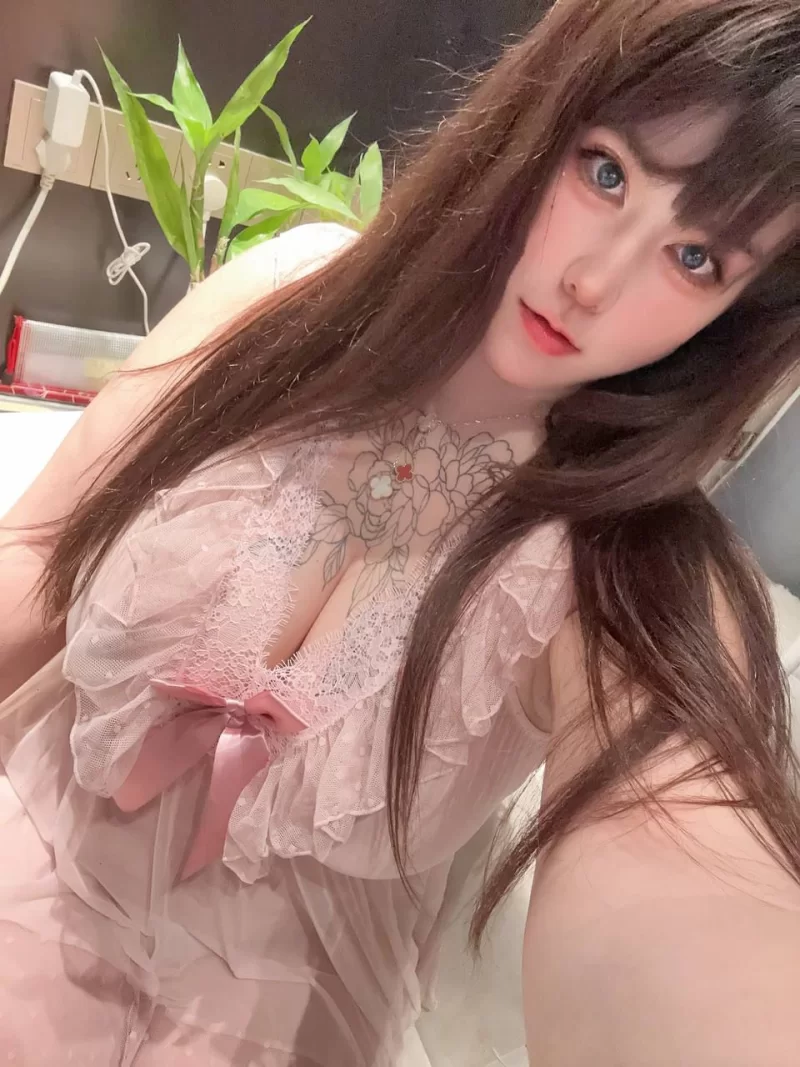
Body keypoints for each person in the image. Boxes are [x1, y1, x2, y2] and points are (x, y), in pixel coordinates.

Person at [0, 0, 797, 1062]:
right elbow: (40, 557)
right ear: (541, 118)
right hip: (32, 879)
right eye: (605, 172)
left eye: (695, 258)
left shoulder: (624, 557)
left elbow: (691, 876)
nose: (593, 281)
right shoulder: (289, 298)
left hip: (275, 1027)